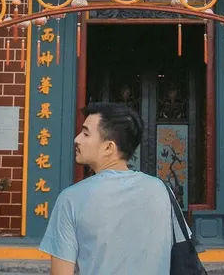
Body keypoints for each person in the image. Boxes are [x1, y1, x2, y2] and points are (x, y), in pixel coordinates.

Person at [40, 101, 185, 275]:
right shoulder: (161, 190)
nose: (77, 139)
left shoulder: (71, 199)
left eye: (85, 133)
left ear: (109, 147)